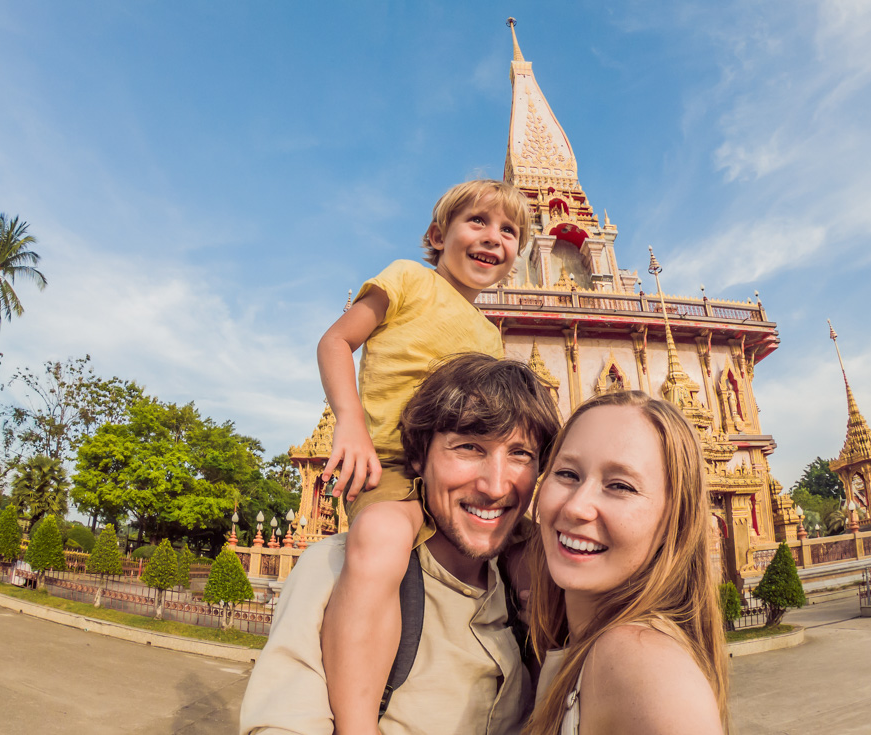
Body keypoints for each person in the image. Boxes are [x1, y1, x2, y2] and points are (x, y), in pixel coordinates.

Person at [240, 354, 561, 735]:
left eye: (520, 454)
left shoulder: (529, 590)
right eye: (469, 448)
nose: (494, 486)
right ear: (418, 457)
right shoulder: (338, 570)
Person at [315, 179, 532, 733]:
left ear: (516, 258)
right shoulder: (408, 278)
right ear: (438, 235)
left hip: (458, 479)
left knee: (540, 554)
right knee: (381, 542)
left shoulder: (489, 336)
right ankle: (357, 722)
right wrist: (351, 423)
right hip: (388, 465)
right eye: (477, 222)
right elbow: (336, 342)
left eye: (509, 231)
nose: (493, 238)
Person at [524, 390, 729, 735]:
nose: (576, 507)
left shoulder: (643, 664)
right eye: (567, 474)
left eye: (620, 486)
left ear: (673, 522)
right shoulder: (576, 643)